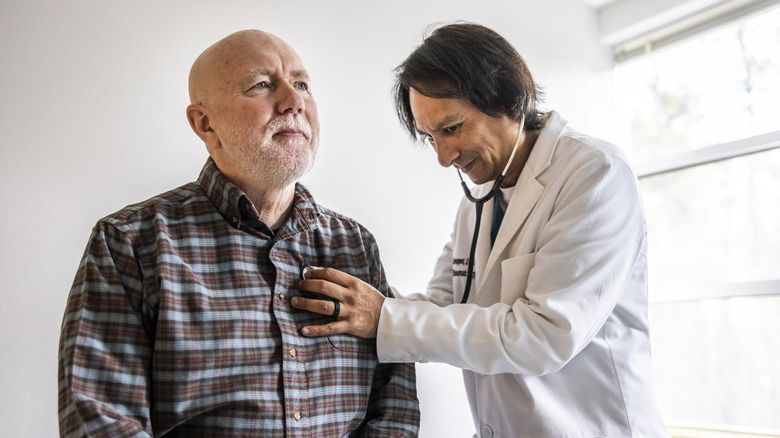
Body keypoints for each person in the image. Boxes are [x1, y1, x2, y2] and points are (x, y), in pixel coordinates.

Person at [293, 23, 669, 437]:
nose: (443, 156)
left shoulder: (594, 175)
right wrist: (352, 300)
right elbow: (440, 304)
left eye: (452, 129)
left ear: (508, 98)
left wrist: (383, 317)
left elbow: (544, 336)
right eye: (429, 137)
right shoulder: (481, 198)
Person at [57, 29, 419, 437]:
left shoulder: (355, 246)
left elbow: (395, 407)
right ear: (205, 123)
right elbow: (100, 419)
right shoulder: (130, 243)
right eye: (262, 85)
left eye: (301, 84)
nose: (294, 101)